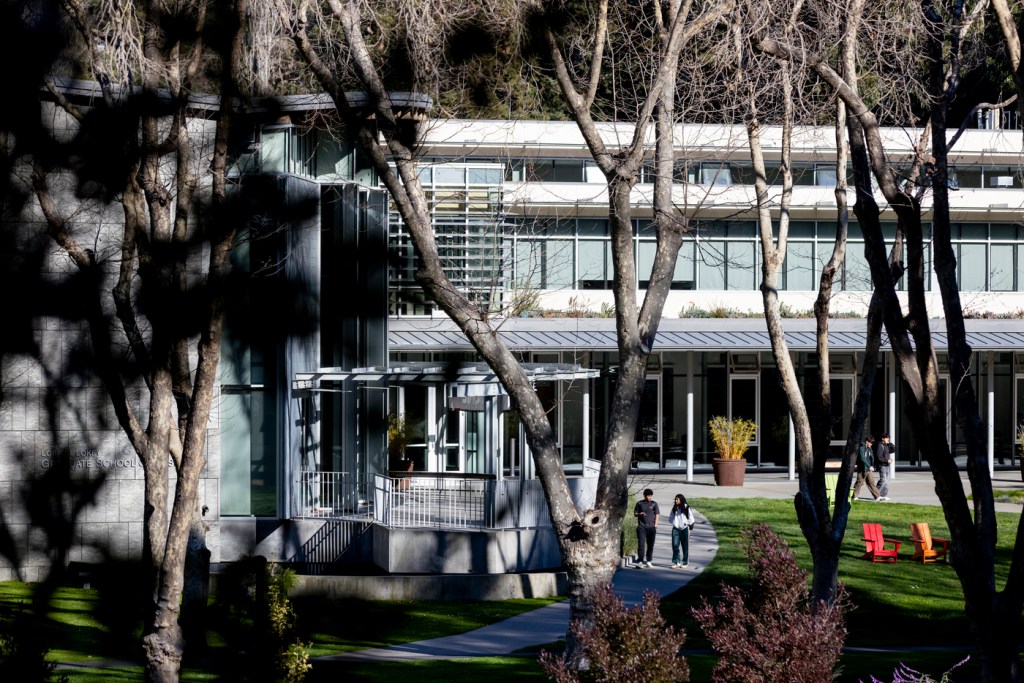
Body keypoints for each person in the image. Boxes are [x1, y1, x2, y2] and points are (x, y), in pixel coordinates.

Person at [633, 488, 660, 568]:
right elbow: (635, 514)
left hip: (651, 528)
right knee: (641, 544)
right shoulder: (639, 503)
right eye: (648, 496)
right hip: (641, 527)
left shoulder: (654, 504)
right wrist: (640, 514)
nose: (649, 497)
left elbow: (657, 515)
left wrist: (655, 525)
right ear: (644, 496)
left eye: (650, 496)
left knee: (650, 545)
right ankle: (640, 561)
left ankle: (648, 561)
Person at [668, 494, 696, 569]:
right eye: (675, 499)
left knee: (685, 546)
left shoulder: (686, 508)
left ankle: (685, 562)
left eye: (677, 499)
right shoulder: (674, 508)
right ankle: (676, 562)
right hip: (676, 529)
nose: (675, 501)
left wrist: (686, 524)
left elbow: (692, 519)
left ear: (681, 500)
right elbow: (670, 518)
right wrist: (674, 522)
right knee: (675, 545)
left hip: (684, 529)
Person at [852, 435, 881, 501]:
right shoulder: (862, 447)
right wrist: (869, 466)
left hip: (869, 468)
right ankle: (854, 496)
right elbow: (862, 458)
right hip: (862, 468)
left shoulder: (869, 448)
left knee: (871, 482)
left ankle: (877, 496)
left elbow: (871, 457)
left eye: (872, 443)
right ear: (867, 441)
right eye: (870, 442)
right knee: (860, 482)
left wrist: (872, 465)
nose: (871, 444)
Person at [875, 432, 894, 501]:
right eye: (886, 438)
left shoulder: (886, 445)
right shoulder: (880, 446)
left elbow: (893, 450)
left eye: (888, 438)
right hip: (882, 465)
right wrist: (887, 460)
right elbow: (879, 457)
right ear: (883, 438)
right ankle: (876, 493)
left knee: (887, 481)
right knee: (883, 480)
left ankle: (883, 495)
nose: (887, 439)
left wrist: (890, 443)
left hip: (887, 465)